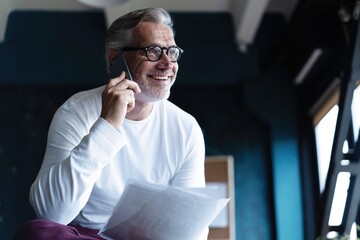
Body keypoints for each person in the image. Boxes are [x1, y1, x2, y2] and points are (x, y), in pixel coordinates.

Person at [13, 7, 207, 240]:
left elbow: (190, 227)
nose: (167, 63)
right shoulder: (76, 111)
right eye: (153, 51)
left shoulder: (186, 128)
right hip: (85, 236)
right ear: (115, 58)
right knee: (35, 232)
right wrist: (106, 125)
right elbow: (52, 213)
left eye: (172, 52)